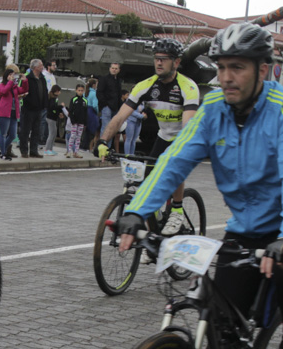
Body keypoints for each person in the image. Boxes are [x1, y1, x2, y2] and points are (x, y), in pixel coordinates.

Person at [114, 23, 283, 349]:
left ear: (264, 69)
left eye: (237, 68)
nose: (226, 78)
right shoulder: (213, 108)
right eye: (221, 67)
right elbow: (174, 161)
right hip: (245, 228)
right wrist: (136, 212)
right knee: (219, 328)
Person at [97, 38, 200, 237]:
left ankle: (177, 210)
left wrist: (180, 151)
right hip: (163, 136)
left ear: (176, 62)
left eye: (164, 59)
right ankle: (153, 236)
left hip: (181, 137)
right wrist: (104, 141)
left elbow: (188, 127)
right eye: (156, 59)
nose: (159, 63)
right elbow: (119, 117)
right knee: (146, 184)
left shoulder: (188, 87)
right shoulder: (145, 86)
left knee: (175, 163)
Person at [17, 58, 48, 158]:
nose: (42, 67)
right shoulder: (27, 78)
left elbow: (45, 91)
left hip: (39, 109)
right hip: (28, 108)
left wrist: (44, 104)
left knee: (36, 131)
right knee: (25, 131)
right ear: (35, 67)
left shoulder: (42, 78)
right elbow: (21, 91)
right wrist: (28, 102)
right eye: (41, 65)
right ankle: (24, 150)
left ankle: (34, 150)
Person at [0, 64, 26, 160]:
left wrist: (24, 81)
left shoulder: (15, 87)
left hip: (13, 113)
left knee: (12, 135)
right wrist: (10, 82)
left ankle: (3, 150)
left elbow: (23, 90)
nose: (13, 77)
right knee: (3, 133)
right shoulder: (2, 84)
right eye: (11, 74)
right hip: (4, 113)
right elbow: (3, 92)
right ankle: (3, 153)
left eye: (14, 75)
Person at [97, 62, 124, 152]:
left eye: (116, 68)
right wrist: (105, 104)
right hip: (107, 107)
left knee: (112, 129)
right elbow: (99, 93)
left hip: (115, 107)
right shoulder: (104, 79)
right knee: (105, 128)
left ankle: (108, 149)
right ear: (109, 69)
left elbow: (119, 94)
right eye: (112, 68)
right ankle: (102, 149)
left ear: (119, 70)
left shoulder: (118, 81)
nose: (114, 70)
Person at [66, 82, 88, 159]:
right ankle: (69, 151)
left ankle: (76, 152)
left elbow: (85, 112)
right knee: (72, 136)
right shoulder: (73, 99)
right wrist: (72, 120)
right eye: (79, 90)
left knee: (78, 137)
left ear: (84, 91)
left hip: (81, 122)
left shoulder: (85, 100)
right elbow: (70, 111)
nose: (80, 92)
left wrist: (85, 122)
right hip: (74, 121)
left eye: (82, 90)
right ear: (76, 91)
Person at [42, 84, 63, 156]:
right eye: (59, 91)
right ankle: (47, 149)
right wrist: (60, 107)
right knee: (51, 134)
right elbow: (53, 108)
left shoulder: (54, 98)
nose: (60, 93)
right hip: (51, 118)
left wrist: (58, 113)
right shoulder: (52, 99)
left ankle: (50, 149)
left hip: (53, 118)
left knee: (54, 134)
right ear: (56, 91)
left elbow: (54, 109)